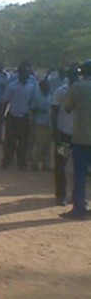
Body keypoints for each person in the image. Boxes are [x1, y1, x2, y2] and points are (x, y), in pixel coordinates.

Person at [60, 60, 91, 219]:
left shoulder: (77, 87)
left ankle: (79, 208)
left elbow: (67, 107)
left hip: (81, 137)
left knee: (79, 174)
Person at [1, 64, 36, 170]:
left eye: (27, 73)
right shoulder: (12, 86)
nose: (25, 75)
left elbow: (32, 102)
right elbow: (6, 101)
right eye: (23, 73)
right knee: (9, 141)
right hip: (12, 115)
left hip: (24, 117)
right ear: (19, 74)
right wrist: (2, 115)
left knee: (23, 142)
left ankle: (22, 163)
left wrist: (30, 114)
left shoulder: (32, 87)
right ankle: (6, 161)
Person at [51, 66, 77, 206]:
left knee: (78, 167)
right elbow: (54, 112)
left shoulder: (82, 91)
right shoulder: (61, 92)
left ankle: (76, 195)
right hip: (64, 134)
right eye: (72, 74)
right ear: (68, 75)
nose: (75, 77)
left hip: (79, 136)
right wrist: (56, 133)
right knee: (61, 165)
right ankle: (60, 195)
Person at [29, 79, 52, 171]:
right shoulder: (37, 97)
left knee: (48, 145)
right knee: (39, 144)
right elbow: (32, 109)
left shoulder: (51, 96)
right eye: (46, 86)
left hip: (49, 123)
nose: (48, 88)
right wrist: (40, 110)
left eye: (48, 86)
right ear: (41, 87)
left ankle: (46, 164)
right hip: (40, 122)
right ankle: (35, 163)